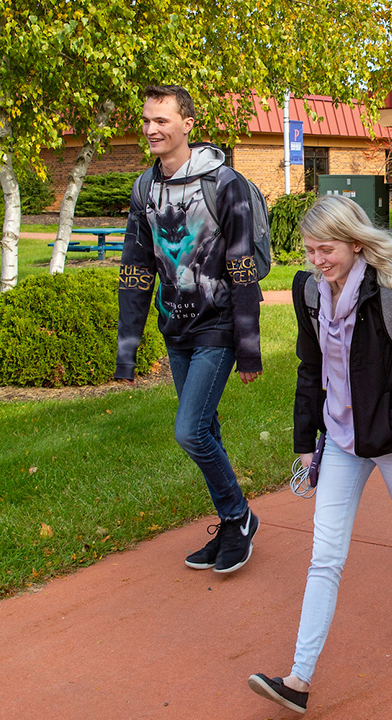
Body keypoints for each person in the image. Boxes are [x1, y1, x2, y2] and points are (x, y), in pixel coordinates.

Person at [248, 195, 392, 714]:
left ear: (356, 242)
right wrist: (304, 443)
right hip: (341, 442)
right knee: (325, 557)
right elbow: (308, 367)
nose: (317, 260)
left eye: (327, 249)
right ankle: (298, 678)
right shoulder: (311, 293)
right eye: (310, 250)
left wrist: (390, 425)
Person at [115, 85, 262, 574]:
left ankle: (239, 517)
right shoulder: (144, 189)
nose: (152, 130)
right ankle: (230, 522)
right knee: (208, 429)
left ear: (188, 125)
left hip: (217, 326)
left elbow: (242, 268)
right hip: (174, 328)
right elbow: (135, 270)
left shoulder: (225, 184)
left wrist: (249, 347)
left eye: (162, 120)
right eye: (147, 121)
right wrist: (128, 348)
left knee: (190, 431)